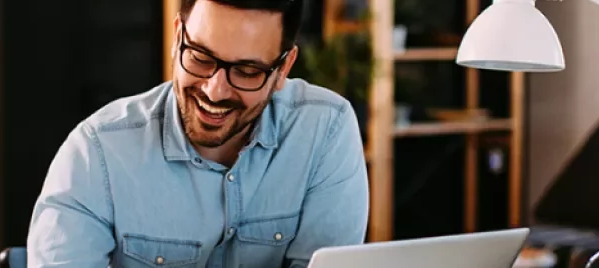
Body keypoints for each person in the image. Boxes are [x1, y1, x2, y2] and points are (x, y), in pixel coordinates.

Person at [26, 0, 369, 267]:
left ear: (283, 69)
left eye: (247, 71)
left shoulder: (327, 130)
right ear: (178, 38)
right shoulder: (96, 153)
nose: (215, 90)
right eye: (201, 57)